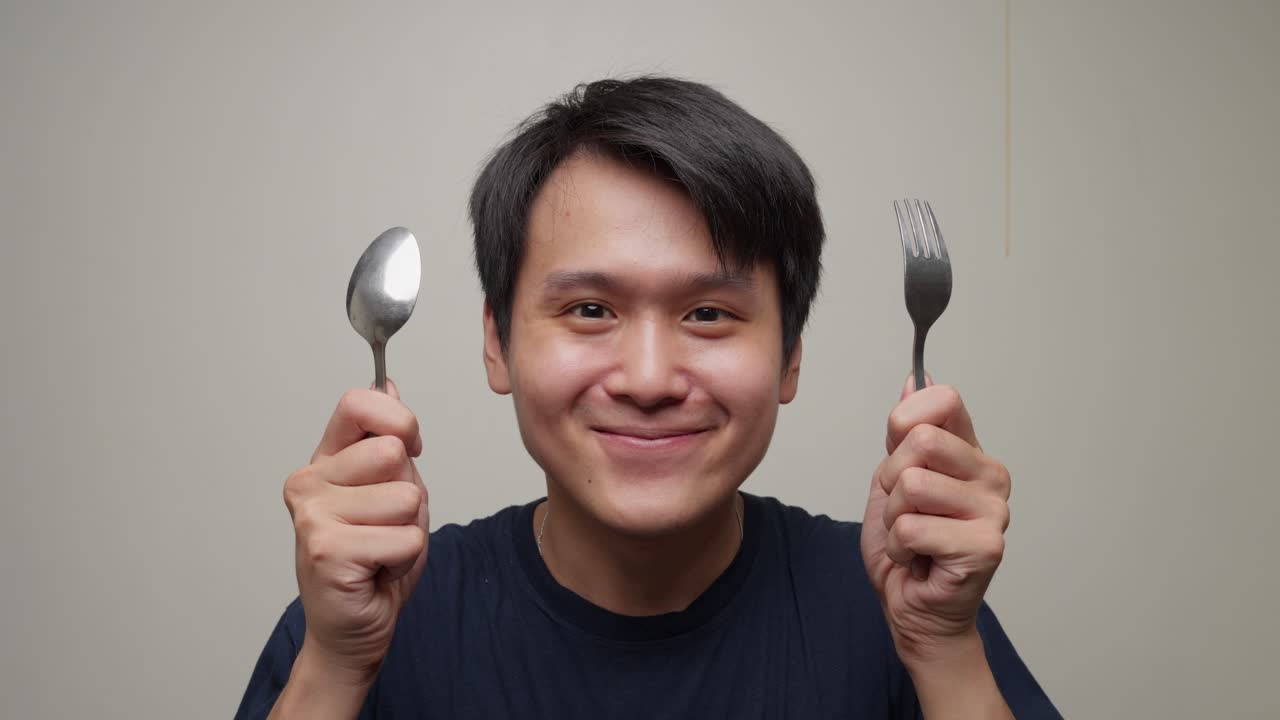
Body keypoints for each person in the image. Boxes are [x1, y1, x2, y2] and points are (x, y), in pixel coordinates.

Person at [236, 76, 1061, 719]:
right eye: (590, 310)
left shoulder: (899, 602)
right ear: (498, 342)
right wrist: (337, 666)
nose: (650, 379)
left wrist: (942, 646)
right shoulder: (366, 615)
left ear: (789, 356)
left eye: (709, 313)